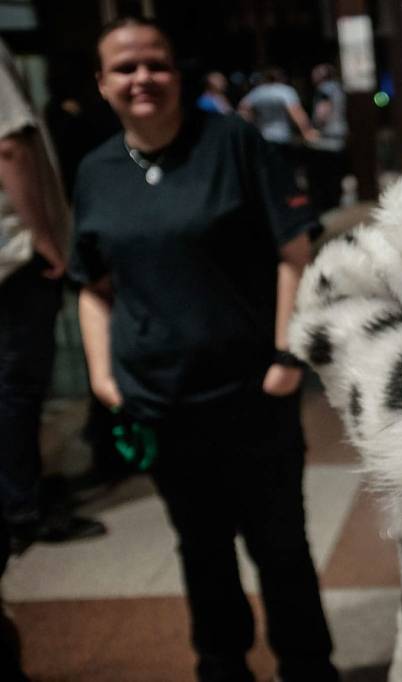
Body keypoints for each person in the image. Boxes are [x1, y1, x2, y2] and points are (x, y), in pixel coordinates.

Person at [70, 18, 338, 682]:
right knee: (200, 545)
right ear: (102, 83)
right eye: (125, 68)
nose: (142, 78)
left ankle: (307, 666)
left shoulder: (233, 142)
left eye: (155, 64)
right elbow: (93, 288)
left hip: (251, 392)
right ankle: (221, 665)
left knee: (280, 545)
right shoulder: (97, 171)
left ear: (177, 72)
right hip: (160, 400)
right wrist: (103, 378)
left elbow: (295, 253)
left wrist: (285, 359)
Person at [0, 35, 108, 681]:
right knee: (18, 387)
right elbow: (11, 145)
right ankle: (23, 508)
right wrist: (45, 237)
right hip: (11, 254)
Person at [238, 67, 318, 147]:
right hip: (282, 136)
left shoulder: (257, 91)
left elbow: (243, 111)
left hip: (262, 135)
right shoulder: (285, 91)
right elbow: (296, 113)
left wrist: (250, 127)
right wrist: (306, 132)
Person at [307, 63, 348, 210]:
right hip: (339, 136)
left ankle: (327, 205)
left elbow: (322, 112)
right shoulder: (338, 88)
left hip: (326, 139)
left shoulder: (324, 89)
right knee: (336, 175)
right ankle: (335, 203)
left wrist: (313, 128)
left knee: (325, 176)